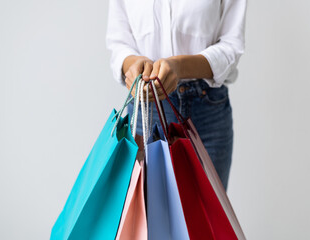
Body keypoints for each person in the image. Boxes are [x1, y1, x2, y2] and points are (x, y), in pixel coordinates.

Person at [106, 0, 247, 190]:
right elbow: (119, 42)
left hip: (207, 109)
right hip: (146, 109)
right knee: (144, 215)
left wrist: (179, 67)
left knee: (207, 216)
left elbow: (232, 45)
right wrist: (134, 66)